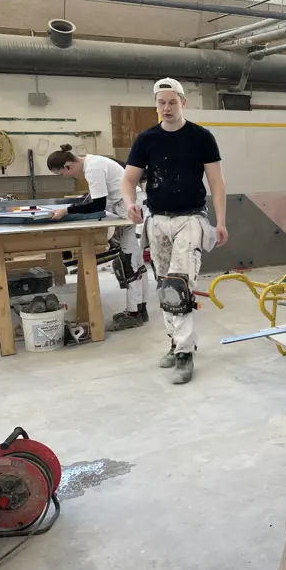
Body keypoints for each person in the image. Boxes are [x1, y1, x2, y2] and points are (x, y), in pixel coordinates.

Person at [121, 78, 228, 385]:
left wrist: (221, 222)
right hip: (157, 220)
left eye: (172, 102)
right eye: (161, 103)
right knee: (163, 286)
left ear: (183, 102)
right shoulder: (146, 139)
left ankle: (184, 353)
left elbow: (217, 182)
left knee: (179, 285)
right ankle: (177, 341)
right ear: (156, 104)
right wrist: (129, 203)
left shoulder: (201, 137)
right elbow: (129, 179)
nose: (166, 108)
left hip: (190, 219)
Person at [47, 144, 150, 332]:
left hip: (133, 213)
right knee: (135, 263)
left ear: (68, 166)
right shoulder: (93, 161)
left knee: (130, 264)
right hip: (132, 211)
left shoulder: (93, 169)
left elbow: (98, 205)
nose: (65, 177)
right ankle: (139, 310)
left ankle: (134, 314)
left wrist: (66, 211)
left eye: (62, 173)